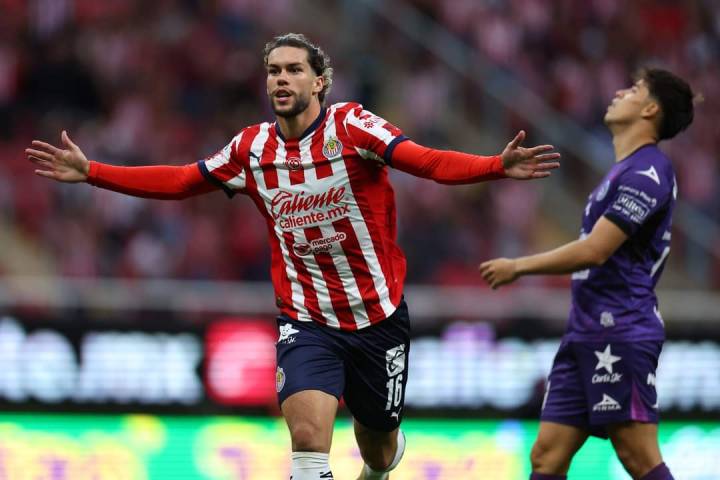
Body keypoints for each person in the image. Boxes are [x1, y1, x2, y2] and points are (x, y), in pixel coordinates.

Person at [26, 33, 560, 480]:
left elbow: (427, 162)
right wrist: (92, 172)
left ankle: (378, 466)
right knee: (307, 441)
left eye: (294, 70)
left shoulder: (353, 128)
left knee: (378, 448)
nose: (281, 79)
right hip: (306, 320)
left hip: (377, 317)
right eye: (273, 71)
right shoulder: (251, 149)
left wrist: (495, 165)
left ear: (319, 82)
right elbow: (184, 180)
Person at [480, 68, 695, 480]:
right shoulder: (622, 170)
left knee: (638, 455)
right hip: (585, 330)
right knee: (546, 456)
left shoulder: (648, 172)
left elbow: (596, 250)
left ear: (650, 109)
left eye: (635, 89)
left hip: (621, 328)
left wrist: (519, 267)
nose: (620, 92)